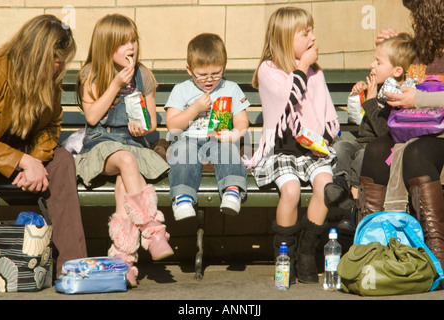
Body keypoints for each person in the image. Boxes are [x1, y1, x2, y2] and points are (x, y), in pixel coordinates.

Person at [243, 7, 340, 284]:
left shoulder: (314, 72)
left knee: (325, 186)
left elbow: (323, 112)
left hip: (310, 150)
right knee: (291, 189)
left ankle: (308, 252)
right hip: (281, 149)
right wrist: (301, 67)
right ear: (286, 39)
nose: (313, 38)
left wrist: (324, 141)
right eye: (305, 33)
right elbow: (289, 99)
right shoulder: (268, 70)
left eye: (312, 31)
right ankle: (286, 254)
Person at [74, 14, 173, 287]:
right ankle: (153, 230)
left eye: (133, 41)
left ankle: (123, 262)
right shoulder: (91, 74)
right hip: (102, 146)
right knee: (126, 161)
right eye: (122, 43)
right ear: (106, 47)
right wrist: (116, 84)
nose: (131, 47)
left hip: (132, 145)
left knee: (124, 183)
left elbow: (152, 121)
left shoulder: (143, 75)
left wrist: (144, 128)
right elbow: (92, 117)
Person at [0, 15, 87, 275]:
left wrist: (35, 161)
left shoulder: (50, 80)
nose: (60, 68)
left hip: (22, 153)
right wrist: (23, 161)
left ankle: (71, 268)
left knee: (61, 162)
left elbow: (50, 126)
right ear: (37, 54)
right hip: (3, 154)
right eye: (57, 62)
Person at [359, 0, 444, 268]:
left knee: (416, 154)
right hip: (416, 128)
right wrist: (395, 47)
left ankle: (434, 256)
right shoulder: (421, 51)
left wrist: (418, 99)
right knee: (375, 149)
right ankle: (370, 249)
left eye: (416, 16)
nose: (413, 22)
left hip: (438, 135)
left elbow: (417, 96)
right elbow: (401, 85)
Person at [333, 32, 416, 233]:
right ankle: (339, 189)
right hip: (361, 142)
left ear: (396, 71)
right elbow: (358, 119)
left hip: (378, 150)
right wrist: (358, 96)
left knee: (363, 156)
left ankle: (352, 207)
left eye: (378, 62)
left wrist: (371, 102)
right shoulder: (377, 87)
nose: (372, 65)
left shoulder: (398, 93)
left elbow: (383, 131)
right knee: (340, 147)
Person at [165, 33, 250, 220]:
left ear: (224, 67)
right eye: (202, 75)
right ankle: (183, 198)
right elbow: (172, 126)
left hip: (219, 137)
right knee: (183, 152)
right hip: (189, 138)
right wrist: (195, 108)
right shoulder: (182, 90)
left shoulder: (231, 88)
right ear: (189, 70)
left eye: (216, 73)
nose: (209, 80)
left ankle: (232, 191)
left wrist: (235, 133)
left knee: (228, 150)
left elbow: (242, 120)